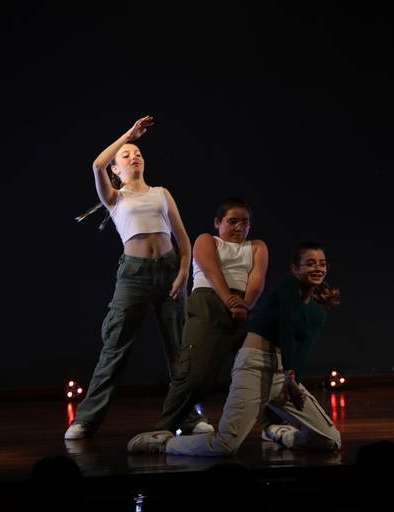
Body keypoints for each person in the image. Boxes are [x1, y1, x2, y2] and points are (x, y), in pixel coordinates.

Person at [126, 241, 342, 455]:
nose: (318, 268)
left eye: (322, 264)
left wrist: (293, 381)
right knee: (225, 445)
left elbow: (303, 352)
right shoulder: (287, 288)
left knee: (331, 439)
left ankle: (281, 434)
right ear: (295, 269)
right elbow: (285, 327)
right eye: (310, 263)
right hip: (254, 368)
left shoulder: (317, 314)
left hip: (282, 375)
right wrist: (290, 375)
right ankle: (164, 443)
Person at [65, 115, 205, 439]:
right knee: (114, 346)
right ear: (116, 169)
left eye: (138, 153)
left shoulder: (161, 193)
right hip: (134, 275)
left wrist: (183, 273)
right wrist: (128, 135)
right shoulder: (115, 198)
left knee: (179, 348)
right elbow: (96, 164)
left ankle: (188, 418)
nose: (134, 156)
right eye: (126, 155)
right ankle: (85, 420)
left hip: (169, 271)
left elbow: (183, 240)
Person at [153, 197, 269, 434]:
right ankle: (164, 429)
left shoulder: (257, 246)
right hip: (209, 303)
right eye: (232, 221)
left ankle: (272, 425)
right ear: (218, 222)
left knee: (262, 369)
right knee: (195, 374)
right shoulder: (207, 240)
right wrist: (229, 300)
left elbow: (257, 280)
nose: (239, 227)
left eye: (245, 222)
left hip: (244, 307)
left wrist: (246, 304)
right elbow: (211, 271)